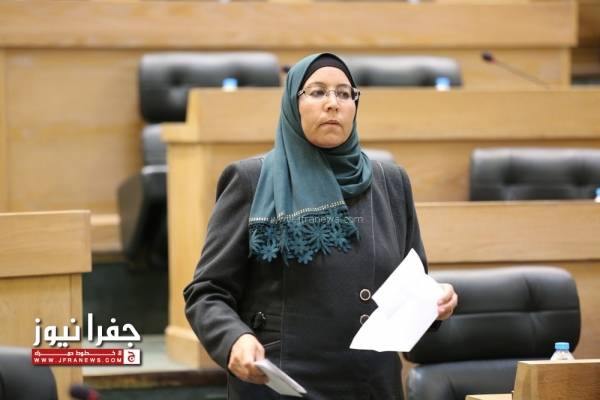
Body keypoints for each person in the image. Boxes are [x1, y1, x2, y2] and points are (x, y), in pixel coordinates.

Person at [183, 53, 458, 399]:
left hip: (372, 386)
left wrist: (436, 303)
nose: (333, 103)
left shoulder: (390, 182)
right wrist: (234, 339)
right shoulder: (251, 180)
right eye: (317, 92)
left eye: (344, 93)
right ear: (292, 104)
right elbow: (207, 292)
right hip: (284, 385)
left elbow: (411, 286)